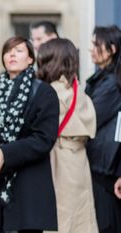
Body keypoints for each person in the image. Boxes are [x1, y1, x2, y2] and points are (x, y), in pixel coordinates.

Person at [0, 36, 59, 233]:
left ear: (30, 59)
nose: (12, 54)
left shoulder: (44, 92)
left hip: (27, 184)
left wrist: (6, 153)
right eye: (8, 50)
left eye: (19, 50)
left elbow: (44, 139)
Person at [37, 38, 98, 233]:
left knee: (59, 221)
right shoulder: (79, 92)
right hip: (79, 162)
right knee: (80, 218)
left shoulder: (48, 93)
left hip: (56, 161)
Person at [85, 25, 121, 233]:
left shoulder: (112, 84)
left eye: (95, 44)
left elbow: (89, 118)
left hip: (105, 170)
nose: (91, 49)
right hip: (102, 168)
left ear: (112, 49)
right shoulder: (103, 79)